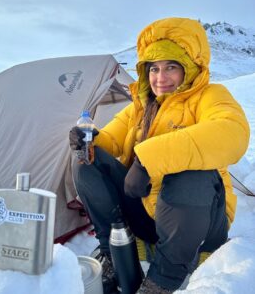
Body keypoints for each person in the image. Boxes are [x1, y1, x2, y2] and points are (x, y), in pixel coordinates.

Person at [69, 17, 250, 293]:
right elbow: (111, 139)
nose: (160, 78)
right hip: (149, 212)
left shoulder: (210, 96)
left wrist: (147, 159)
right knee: (88, 160)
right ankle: (113, 249)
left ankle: (161, 282)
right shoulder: (142, 105)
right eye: (153, 68)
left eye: (171, 67)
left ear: (189, 68)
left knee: (190, 173)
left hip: (198, 221)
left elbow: (233, 134)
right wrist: (90, 138)